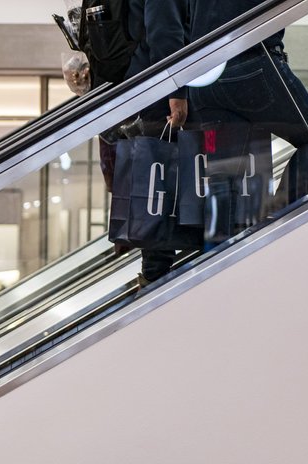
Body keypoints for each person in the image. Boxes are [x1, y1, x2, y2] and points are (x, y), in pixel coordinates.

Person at [187, 0, 308, 216]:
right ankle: (279, 216)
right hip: (251, 64)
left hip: (202, 79)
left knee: (225, 176)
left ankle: (222, 245)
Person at [123, 0, 193, 286]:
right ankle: (155, 276)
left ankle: (155, 270)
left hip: (145, 90)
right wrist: (177, 90)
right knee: (161, 181)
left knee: (156, 180)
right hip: (159, 94)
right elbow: (165, 32)